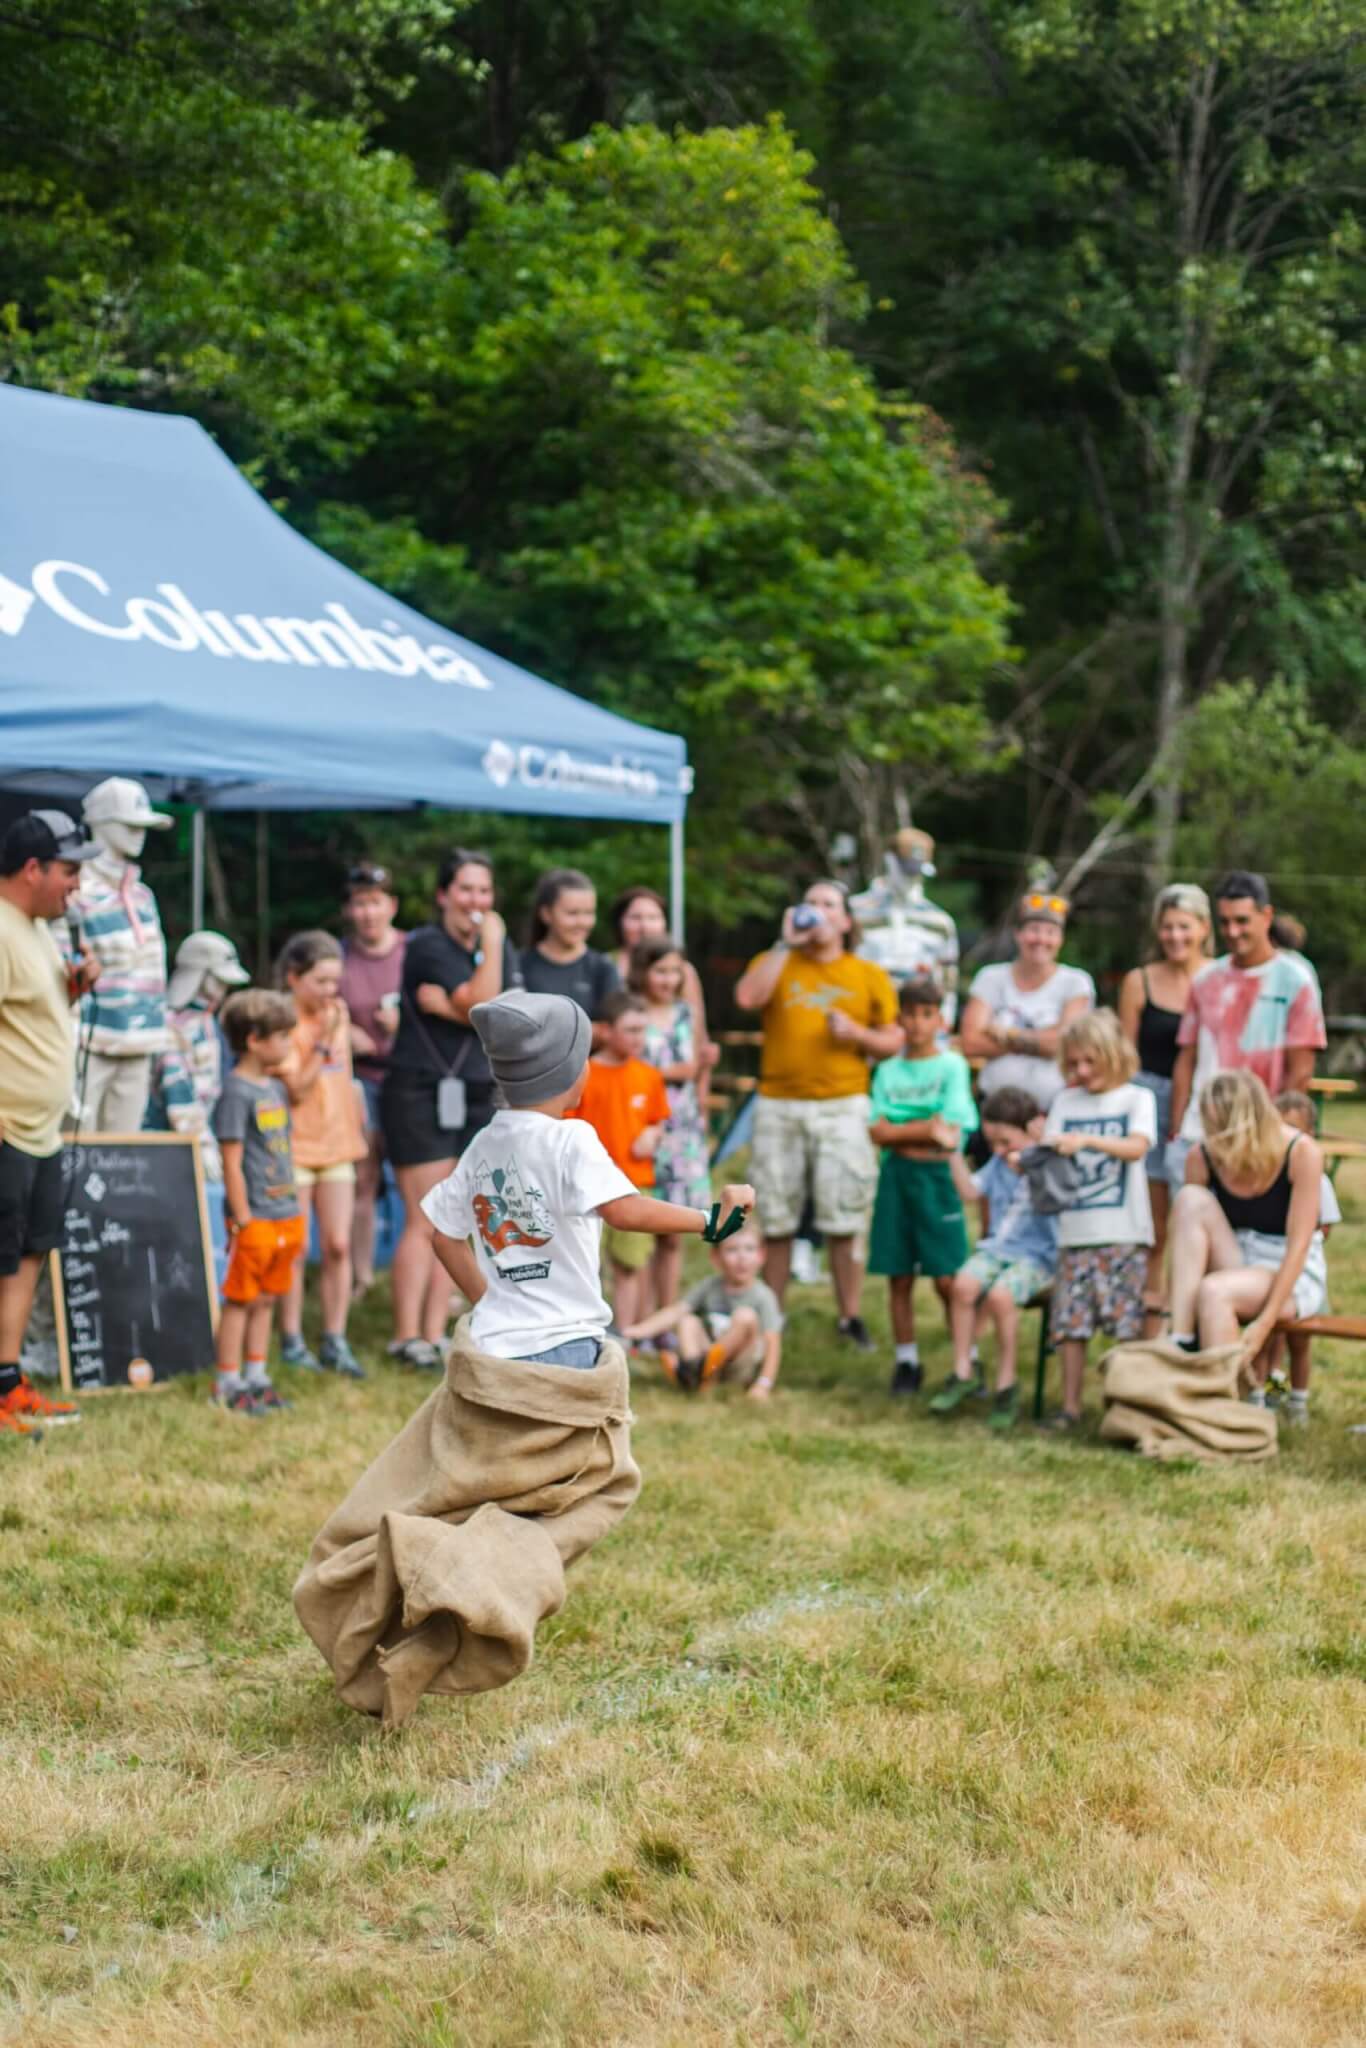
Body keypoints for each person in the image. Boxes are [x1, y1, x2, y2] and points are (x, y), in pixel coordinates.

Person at [734, 880, 902, 1345]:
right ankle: (772, 1320)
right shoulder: (778, 961)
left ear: (847, 921)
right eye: (810, 902)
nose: (818, 910)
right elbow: (748, 998)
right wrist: (786, 943)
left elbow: (892, 1040)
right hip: (778, 1105)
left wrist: (859, 1036)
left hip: (843, 1106)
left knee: (844, 1218)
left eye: (829, 904)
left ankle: (849, 1317)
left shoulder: (867, 974)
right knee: (776, 1216)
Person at [382, 850, 506, 1370]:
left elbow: (498, 1012)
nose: (476, 902)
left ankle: (436, 1334)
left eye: (484, 891)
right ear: (443, 895)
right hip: (420, 1090)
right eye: (466, 890)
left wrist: (462, 1005)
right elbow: (485, 1001)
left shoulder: (485, 951)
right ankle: (406, 1334)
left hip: (475, 1093)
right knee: (424, 1215)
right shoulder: (429, 945)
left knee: (456, 1218)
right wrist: (493, 948)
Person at [0, 811, 100, 1437]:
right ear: (33, 868)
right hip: (8, 1127)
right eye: (69, 871)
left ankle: (6, 1385)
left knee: (28, 1257)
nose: (76, 885)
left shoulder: (34, 928)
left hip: (41, 1129)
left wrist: (72, 992)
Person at [1168, 1072, 1325, 1393]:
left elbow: (1299, 1247)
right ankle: (1179, 1342)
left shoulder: (1301, 1152)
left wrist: (1264, 1324)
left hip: (1289, 1271)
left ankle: (1221, 1405)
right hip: (1237, 1258)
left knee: (1215, 1292)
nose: (1218, 1142)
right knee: (1189, 1199)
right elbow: (1187, 1241)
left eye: (1226, 1131)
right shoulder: (1202, 1155)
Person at [1039, 1009, 1155, 1433]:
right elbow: (1051, 1151)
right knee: (1072, 1323)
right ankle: (1070, 1408)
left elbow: (1137, 1149)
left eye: (1090, 1061)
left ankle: (1124, 1406)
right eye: (1073, 1064)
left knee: (1126, 1324)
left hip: (1124, 1231)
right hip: (1075, 1231)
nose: (1081, 1071)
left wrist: (1086, 1140)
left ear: (1112, 1054)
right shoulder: (1065, 1102)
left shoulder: (1136, 1099)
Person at [1168, 870, 1326, 1180]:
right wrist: (1176, 1128)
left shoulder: (1295, 980)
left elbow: (1300, 1071)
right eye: (1224, 922)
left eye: (1242, 921)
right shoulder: (1206, 980)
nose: (1232, 930)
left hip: (1258, 1134)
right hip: (1201, 1130)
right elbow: (1187, 1059)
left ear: (1266, 916)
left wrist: (1276, 1135)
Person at [866, 975, 978, 1395]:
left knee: (947, 1276)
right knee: (898, 1275)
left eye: (926, 1014)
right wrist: (922, 1129)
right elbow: (876, 1131)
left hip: (938, 1179)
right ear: (899, 1019)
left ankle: (966, 1360)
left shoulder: (952, 1065)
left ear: (941, 1019)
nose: (917, 1024)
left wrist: (902, 1131)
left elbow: (948, 1131)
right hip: (897, 1180)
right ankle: (906, 1362)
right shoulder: (888, 1070)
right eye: (909, 1014)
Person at [934, 1086, 1058, 1432]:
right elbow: (970, 1192)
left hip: (1039, 1257)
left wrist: (1036, 1161)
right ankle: (963, 1370)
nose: (1000, 1152)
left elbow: (1060, 1202)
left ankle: (1007, 1384)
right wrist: (952, 1153)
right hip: (998, 1249)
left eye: (1007, 1142)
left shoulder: (1051, 1162)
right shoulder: (998, 1164)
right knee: (963, 1285)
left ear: (1030, 1131)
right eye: (994, 1144)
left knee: (1002, 1297)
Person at [1117, 883, 1213, 1314]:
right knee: (1154, 1228)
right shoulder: (1139, 982)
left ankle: (1194, 1315)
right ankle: (1149, 1320)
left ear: (1203, 928)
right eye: (1168, 927)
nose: (1175, 936)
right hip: (1149, 1101)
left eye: (1184, 927)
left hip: (1203, 1103)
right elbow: (1123, 1055)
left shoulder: (1217, 977)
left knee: (1201, 1221)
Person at [276, 931, 367, 1378]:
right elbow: (296, 1087)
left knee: (338, 1244)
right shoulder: (281, 1023)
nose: (331, 992)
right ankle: (291, 1338)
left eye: (336, 982)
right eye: (321, 981)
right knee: (296, 1247)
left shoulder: (338, 1016)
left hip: (338, 1145)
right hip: (295, 1145)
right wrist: (325, 1041)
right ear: (294, 979)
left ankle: (335, 1337)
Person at [212, 989, 304, 1415]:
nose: (288, 1044)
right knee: (241, 1299)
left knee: (268, 1297)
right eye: (282, 1036)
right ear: (253, 1040)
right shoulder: (235, 1093)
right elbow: (231, 1161)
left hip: (286, 1214)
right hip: (255, 1220)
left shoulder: (276, 1089)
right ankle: (227, 1381)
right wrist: (243, 1217)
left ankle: (256, 1375)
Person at [67, 777, 175, 1133]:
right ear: (101, 824)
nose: (139, 835)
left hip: (141, 1045)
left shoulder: (143, 895)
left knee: (124, 1158)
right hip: (90, 1044)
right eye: (131, 826)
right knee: (76, 1150)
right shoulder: (76, 889)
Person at [568, 991, 671, 1332]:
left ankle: (625, 1335)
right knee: (586, 1262)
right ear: (606, 1031)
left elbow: (658, 1119)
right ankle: (586, 1330)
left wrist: (653, 1135)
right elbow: (567, 1123)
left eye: (643, 1030)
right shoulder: (585, 1074)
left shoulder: (649, 1076)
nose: (638, 1038)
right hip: (588, 1187)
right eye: (630, 1030)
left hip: (634, 1184)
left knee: (629, 1263)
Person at [631, 937, 712, 1316]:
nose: (667, 979)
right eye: (659, 970)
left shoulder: (686, 1013)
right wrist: (661, 1075)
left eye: (674, 971)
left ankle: (665, 1316)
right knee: (641, 1227)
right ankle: (639, 1317)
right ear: (644, 973)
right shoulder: (631, 1013)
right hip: (640, 1125)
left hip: (682, 1128)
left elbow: (692, 1066)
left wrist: (653, 1074)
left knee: (674, 1231)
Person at [959, 889, 1095, 1111]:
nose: (1041, 939)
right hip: (993, 1108)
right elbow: (971, 1043)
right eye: (1034, 930)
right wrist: (1045, 1036)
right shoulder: (990, 977)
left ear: (1060, 939)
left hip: (1052, 1109)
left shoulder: (1076, 982)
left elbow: (1064, 1045)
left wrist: (1005, 1033)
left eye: (1051, 932)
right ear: (1017, 934)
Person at [339, 862, 406, 1297]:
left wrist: (403, 1023)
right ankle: (360, 1275)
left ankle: (430, 1276)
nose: (368, 913)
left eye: (375, 903)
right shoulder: (339, 955)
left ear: (392, 906)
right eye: (360, 904)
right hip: (360, 1079)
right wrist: (345, 1031)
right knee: (363, 1178)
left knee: (422, 1179)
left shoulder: (412, 951)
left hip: (409, 1079)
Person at [624, 1224, 783, 1396]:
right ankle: (696, 1373)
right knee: (687, 1321)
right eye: (732, 1250)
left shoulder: (763, 1295)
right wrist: (638, 1331)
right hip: (711, 1358)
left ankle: (690, 1373)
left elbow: (772, 1343)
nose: (741, 1257)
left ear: (761, 1256)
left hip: (740, 1365)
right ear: (716, 1257)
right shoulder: (710, 1286)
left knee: (745, 1316)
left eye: (749, 1249)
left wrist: (763, 1384)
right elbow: (677, 1311)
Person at [143, 930, 251, 1176]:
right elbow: (180, 1096)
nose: (223, 990)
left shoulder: (209, 1024)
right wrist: (202, 1148)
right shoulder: (172, 1028)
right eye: (219, 981)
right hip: (173, 1150)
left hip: (207, 1138)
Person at [1262, 1089, 1337, 1425]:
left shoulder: (1317, 1178)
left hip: (1304, 1274)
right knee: (1271, 1337)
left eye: (1294, 1128)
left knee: (1300, 1342)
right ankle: (1271, 1390)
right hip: (1275, 1271)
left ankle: (1299, 1401)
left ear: (1309, 1134)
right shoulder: (1268, 1175)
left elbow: (1327, 1225)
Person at [850, 827, 959, 1026]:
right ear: (890, 861)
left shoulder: (940, 921)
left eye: (918, 872)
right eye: (907, 870)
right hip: (865, 1019)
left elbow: (947, 980)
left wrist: (945, 1020)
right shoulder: (855, 911)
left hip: (918, 1024)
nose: (912, 878)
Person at [514, 869, 620, 1032]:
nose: (582, 922)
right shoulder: (520, 964)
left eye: (589, 913)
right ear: (546, 914)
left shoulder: (603, 968)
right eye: (572, 913)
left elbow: (612, 1030)